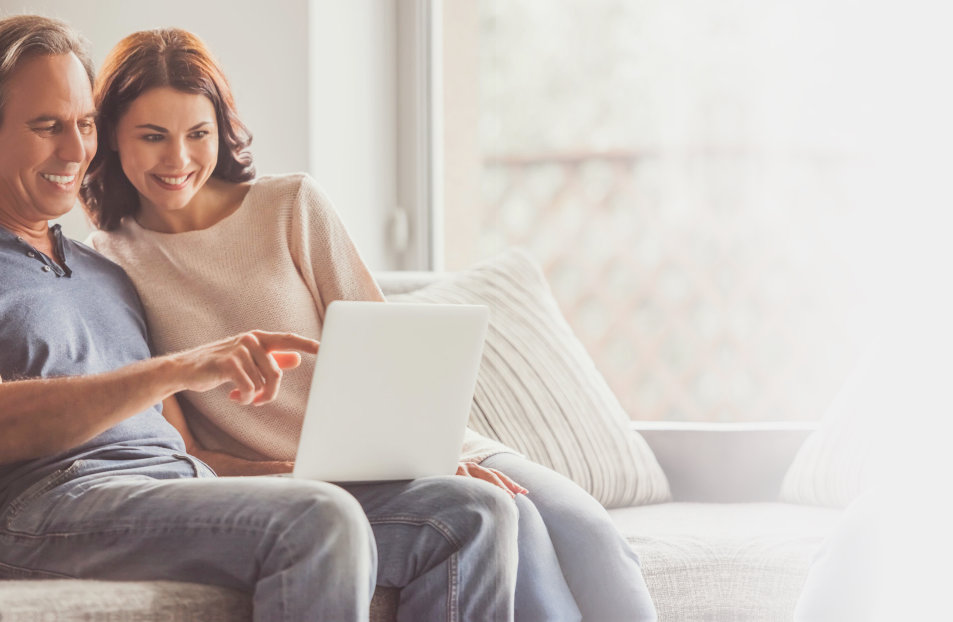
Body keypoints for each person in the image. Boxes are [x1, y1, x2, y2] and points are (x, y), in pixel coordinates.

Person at [0, 15, 519, 621]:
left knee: (470, 511)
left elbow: (190, 458)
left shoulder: (101, 273)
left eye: (84, 124)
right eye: (45, 126)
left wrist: (341, 471)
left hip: (172, 493)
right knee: (316, 521)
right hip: (43, 511)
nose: (74, 151)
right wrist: (180, 367)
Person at [84, 27, 658, 621]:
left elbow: (391, 357)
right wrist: (310, 475)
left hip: (418, 448)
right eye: (153, 137)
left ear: (219, 132)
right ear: (111, 139)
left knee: (591, 532)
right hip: (303, 486)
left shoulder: (291, 206)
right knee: (520, 532)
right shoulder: (105, 266)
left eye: (197, 134)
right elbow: (190, 452)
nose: (178, 159)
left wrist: (427, 459)